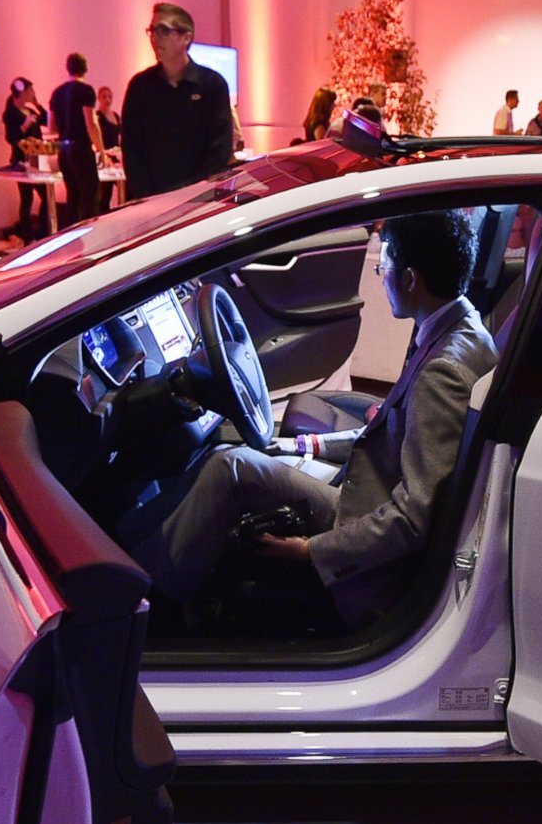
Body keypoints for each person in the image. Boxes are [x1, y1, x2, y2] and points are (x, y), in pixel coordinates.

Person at [139, 209, 497, 628]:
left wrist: (312, 550)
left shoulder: (441, 373)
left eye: (385, 266)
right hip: (370, 485)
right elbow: (390, 431)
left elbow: (412, 517)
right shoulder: (464, 328)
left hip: (366, 515)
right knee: (245, 454)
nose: (381, 276)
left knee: (229, 467)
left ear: (412, 279)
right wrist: (300, 445)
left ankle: (145, 599)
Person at [120, 6, 233, 198]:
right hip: (149, 201)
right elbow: (131, 149)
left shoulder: (212, 84)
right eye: (152, 30)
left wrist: (190, 194)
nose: (155, 38)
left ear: (186, 37)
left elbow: (219, 150)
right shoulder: (140, 86)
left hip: (198, 201)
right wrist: (147, 197)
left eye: (163, 30)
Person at [50, 54, 103, 223]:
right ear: (85, 68)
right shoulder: (86, 91)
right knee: (90, 192)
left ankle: (70, 237)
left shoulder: (57, 92)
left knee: (73, 195)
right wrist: (101, 149)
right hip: (80, 147)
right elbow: (91, 123)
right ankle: (89, 235)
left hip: (64, 149)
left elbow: (51, 126)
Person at [2, 78, 51, 237]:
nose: (33, 94)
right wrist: (25, 125)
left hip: (38, 161)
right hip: (22, 162)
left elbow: (47, 121)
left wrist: (37, 105)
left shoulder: (31, 111)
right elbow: (11, 137)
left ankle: (44, 232)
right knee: (27, 198)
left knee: (46, 196)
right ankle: (27, 236)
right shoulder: (10, 113)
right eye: (30, 90)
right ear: (22, 92)